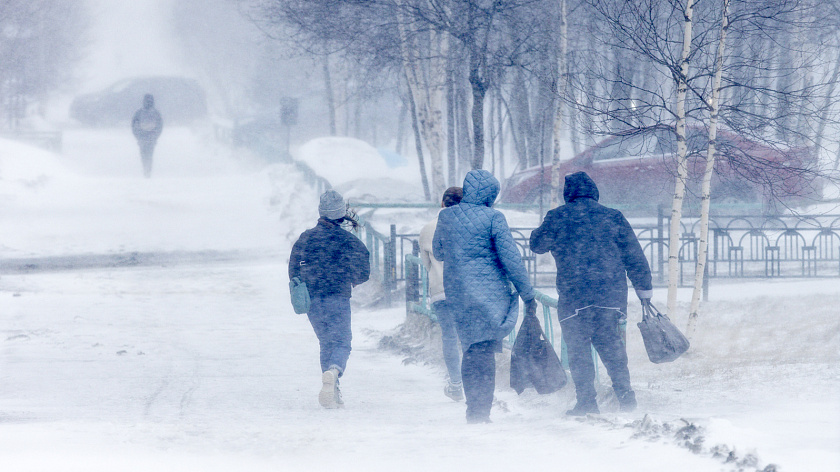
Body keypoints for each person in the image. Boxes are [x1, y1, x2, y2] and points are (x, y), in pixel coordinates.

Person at [529, 171, 652, 416]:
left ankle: (587, 401)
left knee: (578, 351)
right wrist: (644, 288)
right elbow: (633, 254)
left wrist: (549, 223)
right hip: (610, 295)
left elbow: (537, 245)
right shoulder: (613, 216)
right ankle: (626, 397)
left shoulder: (558, 216)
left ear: (568, 194)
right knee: (612, 347)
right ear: (594, 191)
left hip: (575, 296)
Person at [433, 169, 537, 423]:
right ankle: (481, 412)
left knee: (470, 349)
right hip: (489, 295)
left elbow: (438, 251)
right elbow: (511, 259)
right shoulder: (494, 218)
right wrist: (528, 294)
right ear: (491, 194)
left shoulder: (446, 216)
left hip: (459, 294)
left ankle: (473, 410)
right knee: (484, 353)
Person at [289, 190, 370, 409]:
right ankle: (334, 372)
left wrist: (302, 283)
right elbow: (364, 266)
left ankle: (332, 390)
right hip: (338, 296)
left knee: (325, 342)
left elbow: (293, 268)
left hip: (313, 300)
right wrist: (353, 278)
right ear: (340, 214)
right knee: (342, 341)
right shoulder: (347, 240)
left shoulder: (306, 238)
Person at [419, 186, 464, 402]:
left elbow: (426, 263)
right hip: (466, 290)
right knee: (468, 336)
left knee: (449, 335)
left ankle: (455, 382)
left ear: (442, 203)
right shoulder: (468, 226)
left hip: (440, 290)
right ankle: (473, 378)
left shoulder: (428, 228)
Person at [131, 94, 163, 178]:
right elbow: (159, 126)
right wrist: (154, 136)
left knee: (144, 155)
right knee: (149, 155)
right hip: (149, 138)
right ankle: (147, 171)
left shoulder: (139, 112)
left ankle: (146, 171)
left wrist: (139, 136)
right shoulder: (156, 113)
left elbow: (134, 126)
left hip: (144, 138)